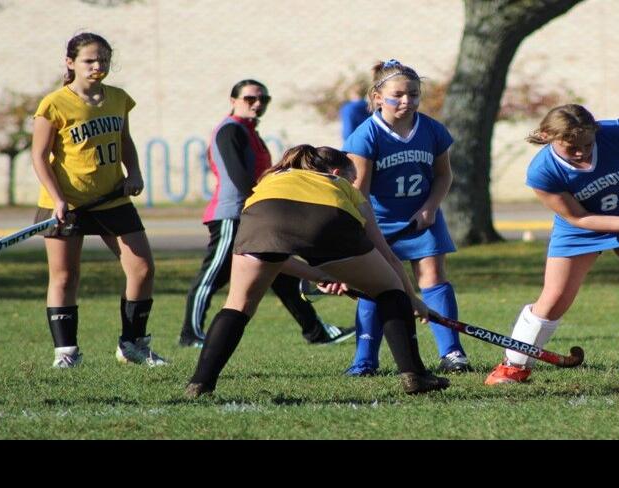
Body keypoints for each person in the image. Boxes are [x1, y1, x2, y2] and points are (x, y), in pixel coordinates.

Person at [184, 144, 449, 397]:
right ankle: (414, 375)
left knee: (237, 306)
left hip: (261, 220)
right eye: (351, 177)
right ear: (337, 174)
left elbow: (276, 258)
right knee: (389, 290)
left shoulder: (270, 181)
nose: (353, 182)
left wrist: (322, 275)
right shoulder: (340, 186)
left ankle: (200, 383)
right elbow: (388, 256)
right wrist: (410, 299)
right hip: (327, 220)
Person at [484, 104, 619, 385]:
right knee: (555, 299)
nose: (582, 153)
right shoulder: (542, 171)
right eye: (572, 148)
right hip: (581, 229)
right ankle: (514, 364)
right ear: (549, 136)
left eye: (587, 143)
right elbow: (579, 217)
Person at [178, 79, 353, 348]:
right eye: (250, 99)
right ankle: (190, 335)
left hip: (253, 214)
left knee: (281, 273)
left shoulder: (249, 130)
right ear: (233, 101)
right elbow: (239, 177)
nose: (257, 104)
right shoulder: (230, 131)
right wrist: (261, 203)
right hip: (233, 215)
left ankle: (317, 332)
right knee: (213, 274)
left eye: (263, 100)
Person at [31, 32, 164, 368]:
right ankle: (66, 354)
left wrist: (133, 172)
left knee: (142, 268)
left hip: (112, 199)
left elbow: (125, 140)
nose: (97, 66)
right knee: (65, 276)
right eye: (89, 60)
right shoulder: (54, 103)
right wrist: (59, 199)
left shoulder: (118, 98)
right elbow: (39, 156)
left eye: (103, 60)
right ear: (70, 62)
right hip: (67, 202)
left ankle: (132, 344)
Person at [341, 59, 470, 376]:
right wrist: (368, 230)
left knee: (433, 278)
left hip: (422, 217)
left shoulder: (432, 129)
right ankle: (365, 360)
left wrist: (430, 207)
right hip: (379, 221)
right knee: (376, 285)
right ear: (377, 97)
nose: (406, 101)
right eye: (398, 94)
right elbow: (359, 191)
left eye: (413, 94)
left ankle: (452, 353)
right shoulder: (365, 136)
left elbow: (443, 176)